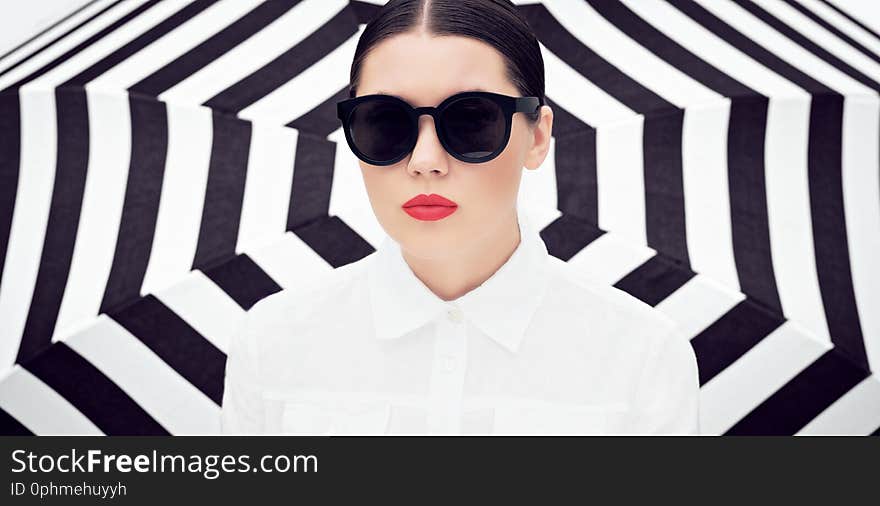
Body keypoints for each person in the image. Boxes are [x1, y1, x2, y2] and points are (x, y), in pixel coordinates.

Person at [220, 0, 700, 435]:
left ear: (537, 137)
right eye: (384, 122)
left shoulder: (643, 357)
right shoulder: (273, 343)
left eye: (472, 120)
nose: (425, 160)